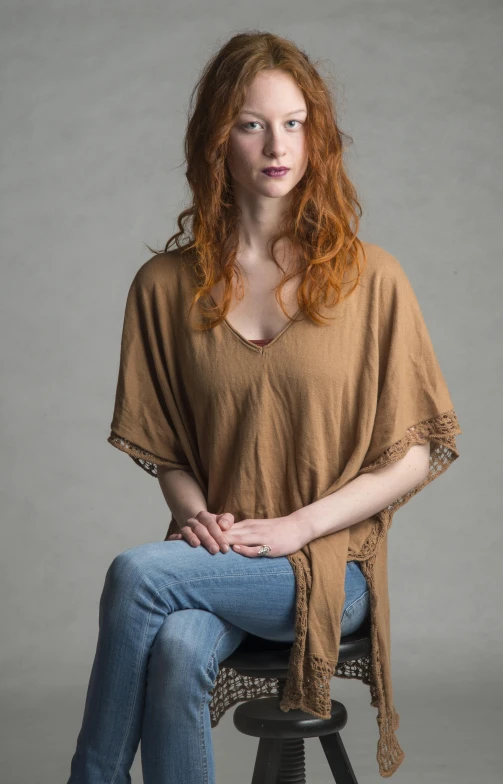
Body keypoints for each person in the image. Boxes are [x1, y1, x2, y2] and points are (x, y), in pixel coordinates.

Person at [66, 31, 462, 784]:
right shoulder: (162, 287)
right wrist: (195, 516)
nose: (277, 144)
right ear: (217, 138)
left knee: (134, 575)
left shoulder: (372, 279)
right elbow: (169, 448)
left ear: (316, 135)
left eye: (294, 122)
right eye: (251, 124)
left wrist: (298, 526)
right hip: (214, 556)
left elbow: (414, 450)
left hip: (325, 565)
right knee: (179, 646)